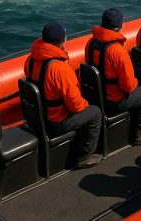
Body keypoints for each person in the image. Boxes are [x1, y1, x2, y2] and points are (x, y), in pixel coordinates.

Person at [24, 22, 103, 169]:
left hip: (39, 119)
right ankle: (85, 156)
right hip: (56, 122)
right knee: (95, 113)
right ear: (63, 41)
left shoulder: (30, 60)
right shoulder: (60, 69)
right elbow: (76, 106)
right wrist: (87, 104)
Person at [86, 8, 141, 145]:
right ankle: (139, 133)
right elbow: (129, 86)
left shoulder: (91, 43)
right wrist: (137, 82)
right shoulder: (117, 51)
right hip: (115, 99)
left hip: (97, 97)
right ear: (120, 26)